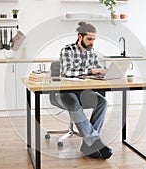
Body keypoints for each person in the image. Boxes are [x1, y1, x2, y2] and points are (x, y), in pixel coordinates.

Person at [59, 21, 113, 159]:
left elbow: (97, 68)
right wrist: (92, 70)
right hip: (65, 91)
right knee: (74, 105)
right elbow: (67, 72)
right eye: (89, 39)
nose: (92, 43)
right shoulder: (67, 50)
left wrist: (103, 72)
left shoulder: (92, 52)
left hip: (83, 90)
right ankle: (96, 141)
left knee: (102, 102)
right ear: (80, 37)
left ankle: (87, 144)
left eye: (94, 39)